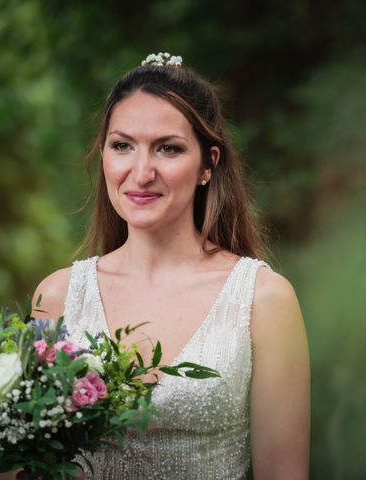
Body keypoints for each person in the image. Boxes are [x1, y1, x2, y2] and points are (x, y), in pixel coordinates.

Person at [28, 52, 310, 479]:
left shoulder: (263, 300)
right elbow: (35, 465)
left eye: (168, 149)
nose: (141, 173)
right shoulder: (57, 298)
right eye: (122, 146)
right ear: (103, 155)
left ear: (207, 165)